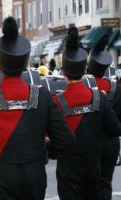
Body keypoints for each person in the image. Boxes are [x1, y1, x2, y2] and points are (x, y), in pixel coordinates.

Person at [0, 17, 75, 200]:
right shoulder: (43, 95)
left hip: (0, 177)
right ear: (25, 65)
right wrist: (44, 152)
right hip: (34, 175)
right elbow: (66, 140)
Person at [54, 27, 121, 200]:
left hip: (70, 164)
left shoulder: (56, 100)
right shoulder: (104, 94)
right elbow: (115, 128)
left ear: (63, 72)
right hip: (98, 155)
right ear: (84, 70)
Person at [87, 35, 121, 200]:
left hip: (91, 142)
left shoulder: (85, 88)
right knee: (106, 183)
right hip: (111, 142)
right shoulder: (116, 88)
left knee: (89, 184)